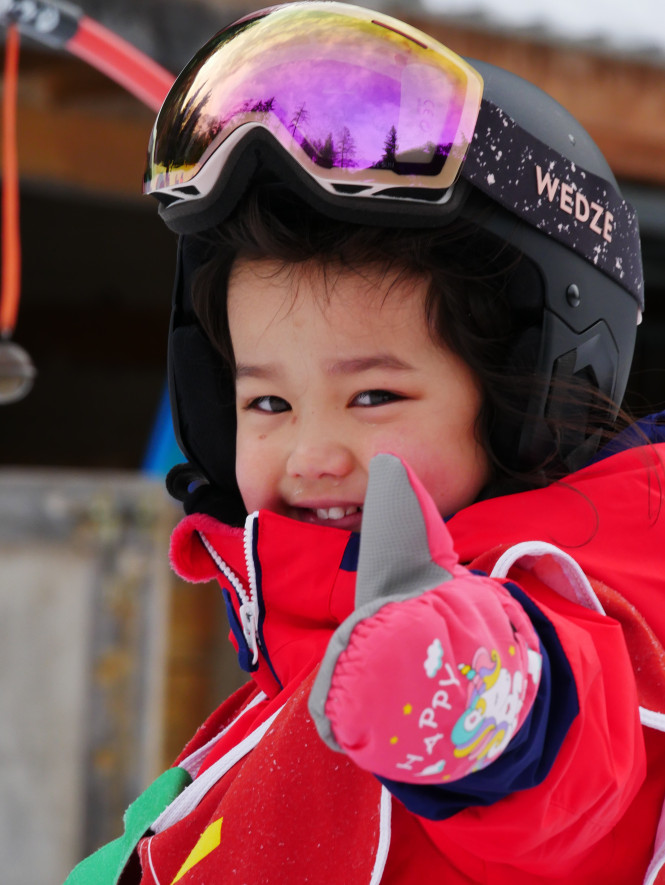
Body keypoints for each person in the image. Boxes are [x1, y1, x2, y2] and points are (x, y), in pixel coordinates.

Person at [65, 2, 665, 883]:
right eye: (267, 402)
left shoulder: (559, 622)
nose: (312, 450)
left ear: (533, 396)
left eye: (373, 394)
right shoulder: (278, 689)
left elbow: (580, 784)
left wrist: (475, 696)